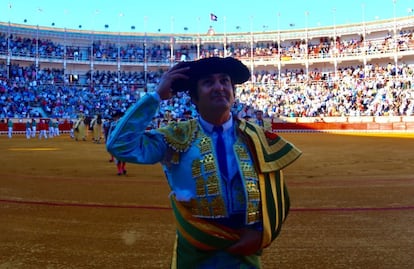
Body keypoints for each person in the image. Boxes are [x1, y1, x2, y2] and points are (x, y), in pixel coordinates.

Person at [106, 57, 302, 268]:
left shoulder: (256, 138)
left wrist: (261, 234)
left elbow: (277, 196)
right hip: (195, 254)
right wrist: (155, 97)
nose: (219, 87)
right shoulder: (176, 137)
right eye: (208, 82)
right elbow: (119, 145)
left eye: (225, 81)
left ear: (233, 93)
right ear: (194, 98)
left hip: (245, 252)